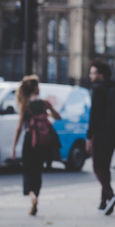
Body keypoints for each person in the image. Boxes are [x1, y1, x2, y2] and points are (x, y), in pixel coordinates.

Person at [11, 75, 61, 216]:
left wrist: (14, 148)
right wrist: (48, 114)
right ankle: (36, 196)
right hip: (42, 143)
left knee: (28, 171)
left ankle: (32, 196)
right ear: (35, 88)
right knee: (38, 172)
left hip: (29, 141)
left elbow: (19, 128)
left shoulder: (25, 106)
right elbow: (58, 116)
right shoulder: (44, 103)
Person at [86, 59, 115, 215]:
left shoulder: (98, 89)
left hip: (100, 134)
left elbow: (94, 116)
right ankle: (103, 201)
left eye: (93, 73)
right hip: (113, 133)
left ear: (101, 74)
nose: (90, 76)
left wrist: (89, 136)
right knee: (105, 166)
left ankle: (111, 195)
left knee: (97, 167)